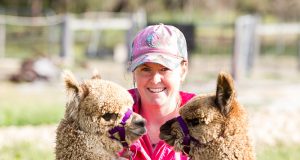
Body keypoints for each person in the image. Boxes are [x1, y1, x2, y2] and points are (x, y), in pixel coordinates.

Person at [121, 23, 196, 160]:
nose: (155, 80)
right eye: (145, 69)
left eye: (164, 68)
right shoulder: (112, 119)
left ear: (183, 70)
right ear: (133, 72)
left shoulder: (203, 124)